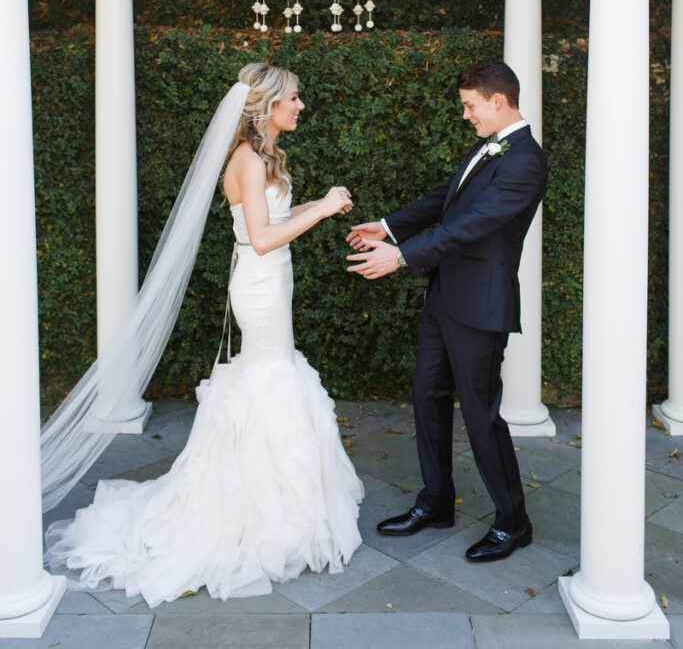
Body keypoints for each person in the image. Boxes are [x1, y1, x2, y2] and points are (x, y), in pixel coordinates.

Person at [44, 63, 363, 605]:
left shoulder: (262, 155)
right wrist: (325, 208)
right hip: (260, 286)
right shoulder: (245, 157)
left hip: (270, 282)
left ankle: (276, 508)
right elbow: (262, 238)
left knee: (273, 376)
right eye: (293, 97)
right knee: (269, 378)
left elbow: (274, 220)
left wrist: (321, 206)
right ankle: (257, 512)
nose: (300, 105)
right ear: (265, 104)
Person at [346, 59, 547, 562]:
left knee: (481, 416)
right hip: (444, 296)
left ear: (497, 101)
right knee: (426, 397)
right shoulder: (487, 147)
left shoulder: (524, 161)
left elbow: (471, 225)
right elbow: (448, 201)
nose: (466, 115)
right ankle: (436, 503)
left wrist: (403, 255)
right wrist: (389, 227)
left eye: (470, 106)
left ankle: (513, 521)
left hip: (480, 306)